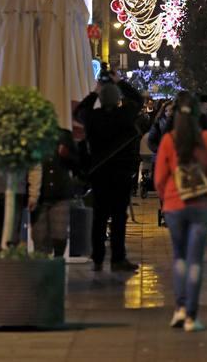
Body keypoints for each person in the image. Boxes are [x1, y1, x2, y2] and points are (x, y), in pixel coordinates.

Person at [155, 91, 207, 332]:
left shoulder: (168, 141)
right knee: (196, 261)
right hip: (201, 206)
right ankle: (192, 314)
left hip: (174, 205)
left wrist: (166, 200)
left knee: (179, 258)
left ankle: (179, 308)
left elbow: (160, 179)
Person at [74, 76, 142, 273]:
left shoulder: (93, 117)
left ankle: (97, 257)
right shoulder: (125, 115)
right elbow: (137, 99)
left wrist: (95, 91)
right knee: (119, 217)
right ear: (117, 99)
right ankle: (118, 258)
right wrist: (119, 82)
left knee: (99, 216)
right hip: (120, 173)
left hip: (99, 173)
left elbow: (79, 111)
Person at [31, 128, 78, 256]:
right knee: (39, 236)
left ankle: (57, 265)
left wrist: (67, 155)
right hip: (39, 193)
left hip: (60, 193)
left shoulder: (64, 135)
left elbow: (78, 163)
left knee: (59, 235)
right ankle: (41, 270)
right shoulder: (31, 135)